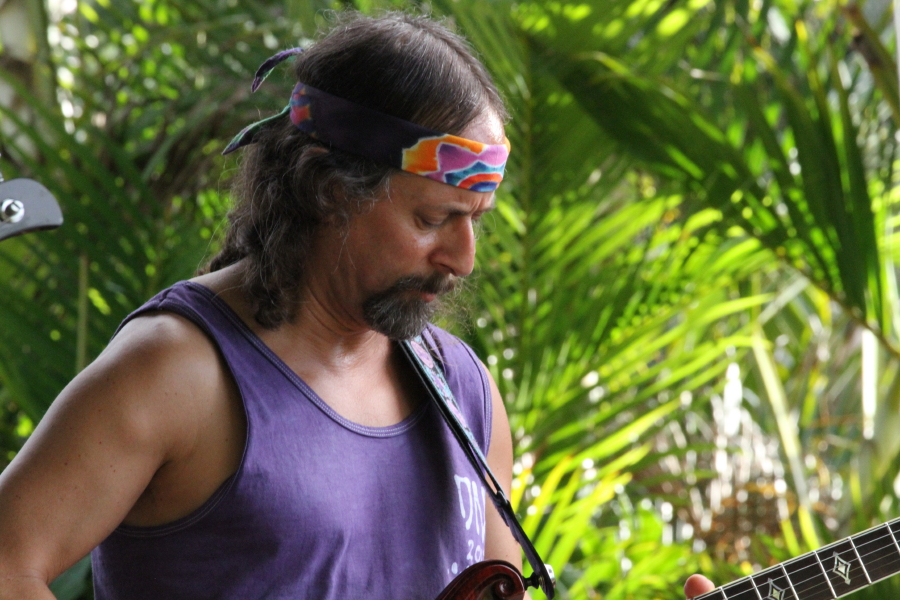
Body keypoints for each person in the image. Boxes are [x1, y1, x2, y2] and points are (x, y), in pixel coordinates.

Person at [0, 12, 521, 600]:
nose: (463, 258)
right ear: (332, 191)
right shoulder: (176, 373)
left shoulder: (466, 394)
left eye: (476, 220)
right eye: (433, 219)